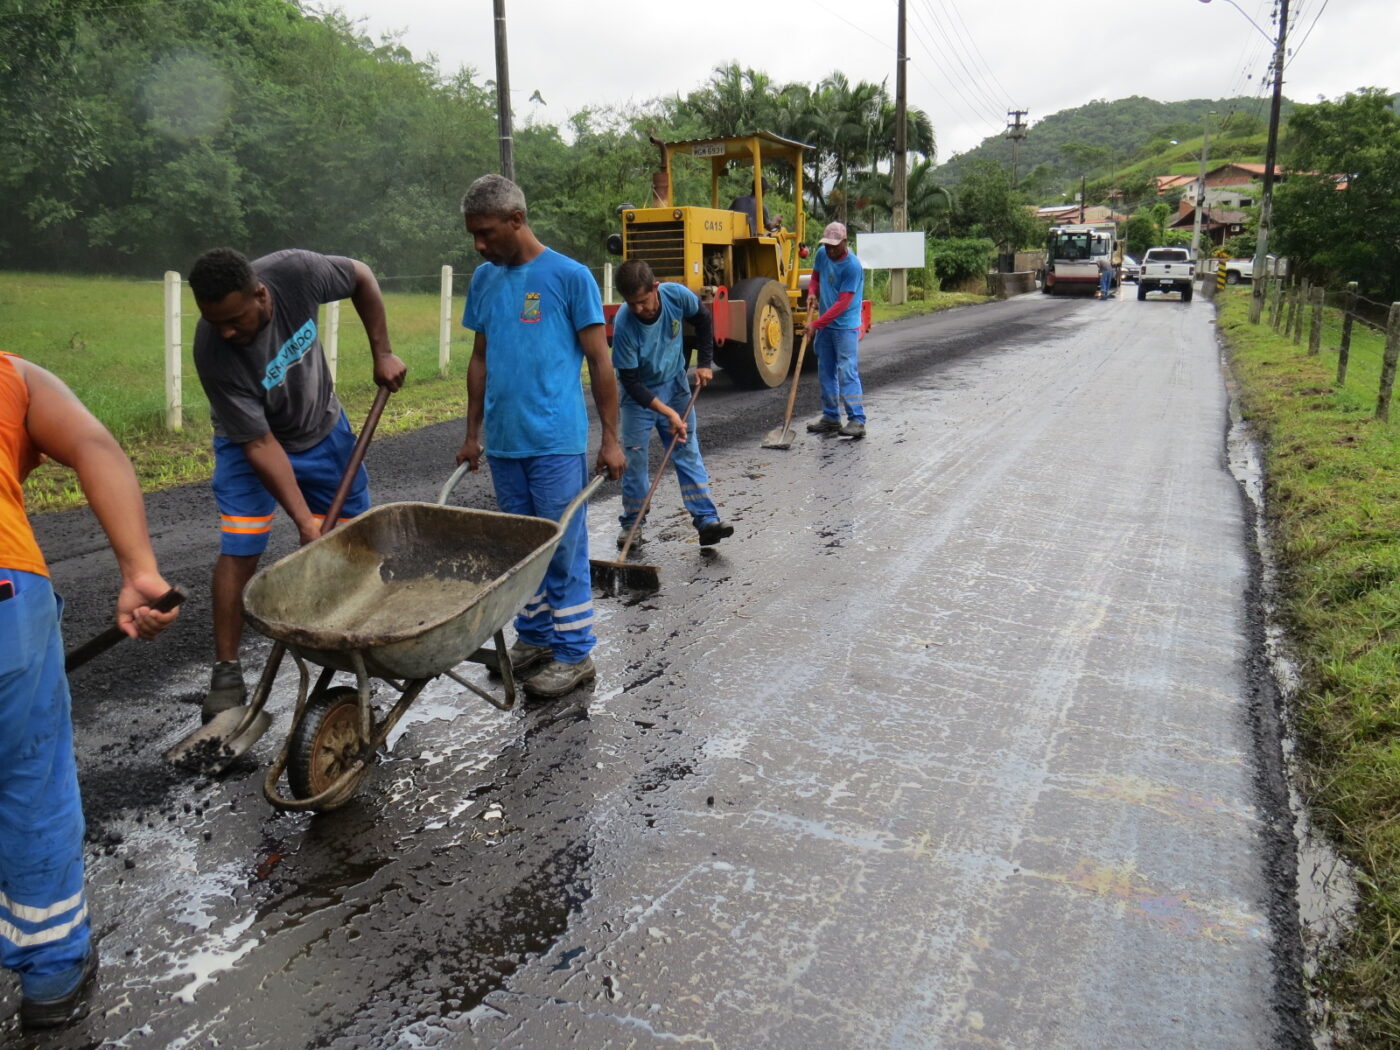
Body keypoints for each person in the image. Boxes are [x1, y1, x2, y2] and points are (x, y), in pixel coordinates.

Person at [0, 352, 179, 1030]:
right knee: (29, 784)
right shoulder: (12, 375)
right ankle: (50, 975)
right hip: (5, 594)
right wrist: (139, 569)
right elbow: (94, 445)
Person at [188, 248, 406, 723]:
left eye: (233, 319)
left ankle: (351, 641)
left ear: (261, 295)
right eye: (213, 321)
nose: (225, 331)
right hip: (250, 442)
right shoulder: (212, 349)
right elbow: (260, 445)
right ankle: (226, 672)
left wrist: (382, 351)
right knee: (242, 543)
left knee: (353, 542)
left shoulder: (296, 273)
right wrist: (303, 521)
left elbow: (362, 277)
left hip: (321, 428)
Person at [457, 174, 625, 699]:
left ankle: (575, 653)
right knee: (521, 549)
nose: (479, 245)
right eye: (473, 236)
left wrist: (611, 438)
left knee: (563, 546)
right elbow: (480, 359)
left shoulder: (570, 277)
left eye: (486, 233)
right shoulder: (485, 279)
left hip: (554, 440)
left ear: (517, 220)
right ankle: (534, 636)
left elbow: (600, 362)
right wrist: (472, 433)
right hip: (505, 442)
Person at [611, 259, 734, 550]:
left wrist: (704, 363)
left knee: (687, 450)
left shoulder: (675, 295)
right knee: (636, 461)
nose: (639, 309)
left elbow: (703, 320)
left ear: (655, 288)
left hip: (675, 384)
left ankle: (706, 520)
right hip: (639, 397)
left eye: (642, 301)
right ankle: (632, 526)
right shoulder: (624, 324)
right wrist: (667, 414)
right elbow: (630, 382)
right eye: (632, 304)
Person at [804, 222, 867, 439]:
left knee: (847, 371)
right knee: (825, 370)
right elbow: (815, 277)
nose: (830, 250)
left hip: (845, 327)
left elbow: (842, 304)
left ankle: (857, 420)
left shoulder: (853, 266)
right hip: (826, 326)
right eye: (828, 246)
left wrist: (815, 324)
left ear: (844, 243)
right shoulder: (822, 254)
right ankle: (831, 417)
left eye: (835, 246)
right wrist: (812, 292)